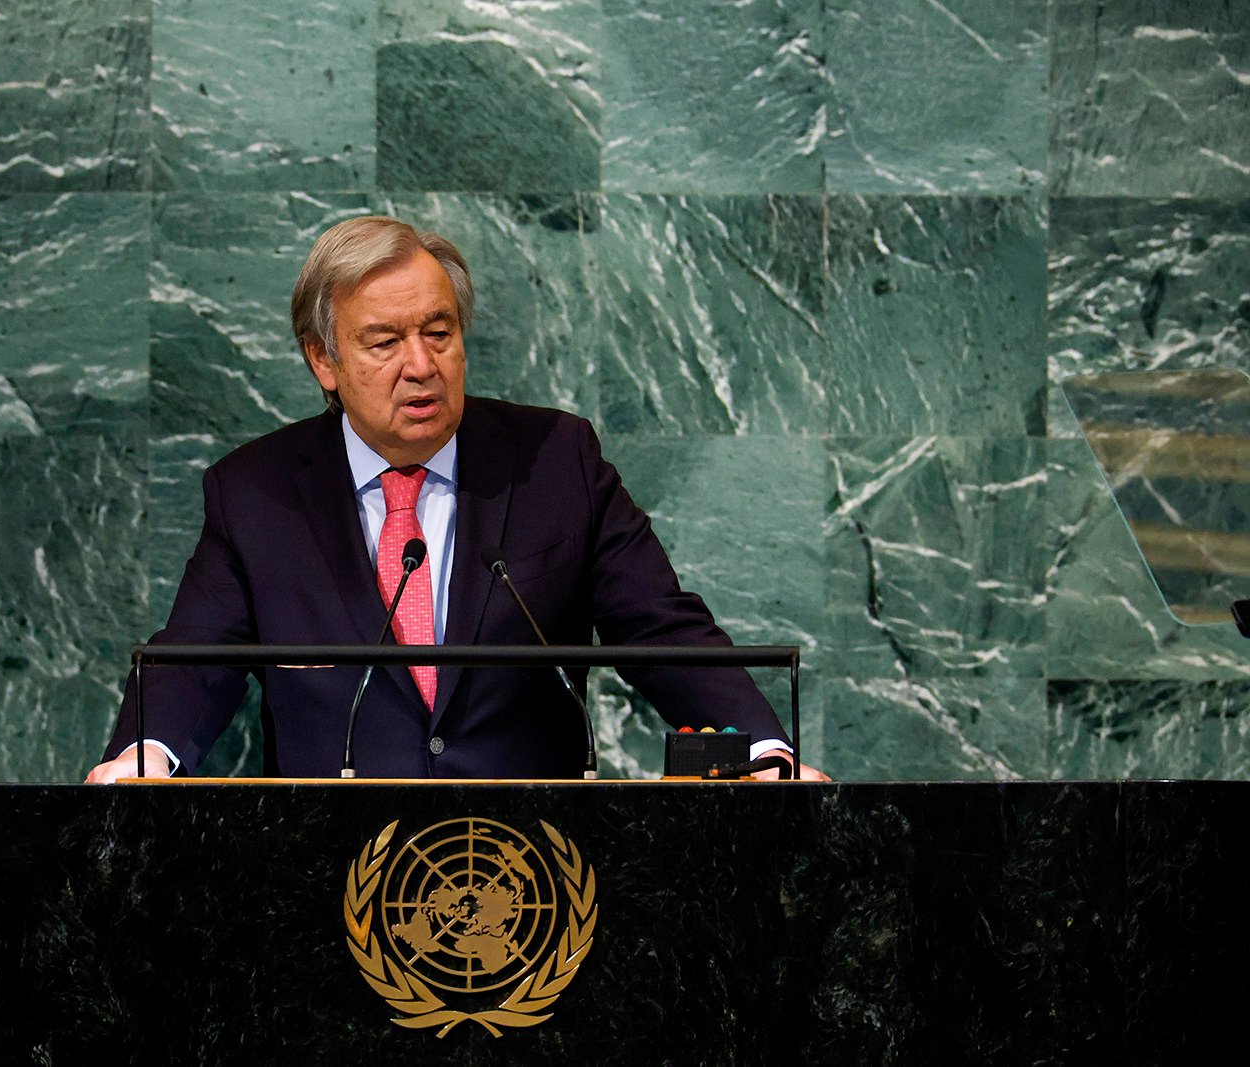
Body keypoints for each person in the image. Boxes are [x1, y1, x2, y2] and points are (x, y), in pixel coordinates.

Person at [86, 216, 826, 782]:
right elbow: (192, 663)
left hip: (539, 875)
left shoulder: (553, 462)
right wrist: (144, 756)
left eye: (438, 332)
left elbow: (665, 632)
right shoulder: (257, 492)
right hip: (326, 881)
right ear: (324, 359)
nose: (421, 365)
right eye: (383, 342)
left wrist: (763, 751)